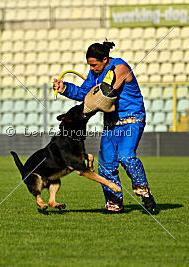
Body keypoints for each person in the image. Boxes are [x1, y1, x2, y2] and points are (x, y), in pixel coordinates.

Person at [53, 41, 156, 213]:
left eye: (94, 65)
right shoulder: (95, 73)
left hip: (132, 120)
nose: (92, 69)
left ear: (105, 59)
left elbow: (106, 93)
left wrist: (89, 100)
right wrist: (65, 88)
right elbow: (85, 95)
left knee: (126, 157)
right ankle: (114, 204)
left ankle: (145, 193)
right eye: (89, 65)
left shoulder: (120, 68)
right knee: (106, 164)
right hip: (110, 123)